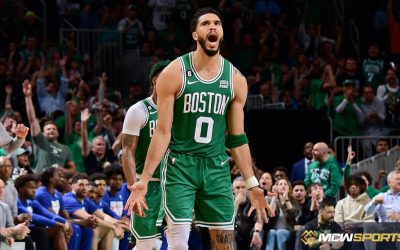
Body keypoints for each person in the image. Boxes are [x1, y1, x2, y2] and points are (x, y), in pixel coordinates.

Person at [125, 8, 273, 249]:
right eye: (205, 24)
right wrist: (143, 179)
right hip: (180, 166)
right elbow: (162, 132)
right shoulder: (174, 73)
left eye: (217, 23)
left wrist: (252, 183)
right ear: (195, 34)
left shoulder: (235, 79)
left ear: (223, 33)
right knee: (178, 244)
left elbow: (237, 138)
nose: (212, 27)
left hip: (216, 166)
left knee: (224, 243)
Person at [121, 60, 170, 249]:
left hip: (174, 184)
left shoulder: (178, 111)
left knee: (178, 241)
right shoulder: (138, 110)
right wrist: (135, 188)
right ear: (155, 80)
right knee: (145, 244)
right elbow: (127, 152)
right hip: (147, 185)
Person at [23, 80, 76, 174]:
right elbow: (32, 119)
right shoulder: (40, 141)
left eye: (54, 129)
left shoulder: (65, 148)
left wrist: (63, 170)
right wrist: (28, 97)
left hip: (58, 183)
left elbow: (73, 169)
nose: (51, 130)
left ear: (58, 133)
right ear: (42, 133)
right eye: (48, 129)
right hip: (40, 181)